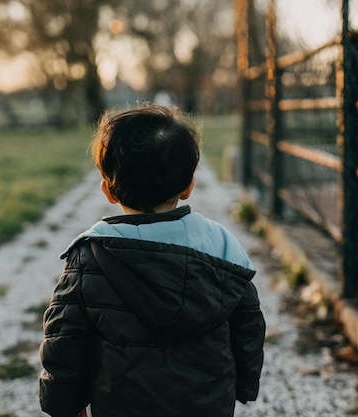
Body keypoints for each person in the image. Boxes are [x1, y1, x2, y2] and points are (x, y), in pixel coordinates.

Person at [39, 104, 266, 417]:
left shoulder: (90, 257)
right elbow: (249, 326)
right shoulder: (223, 248)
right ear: (187, 187)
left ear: (108, 190)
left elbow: (66, 342)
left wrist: (65, 405)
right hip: (207, 404)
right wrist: (244, 385)